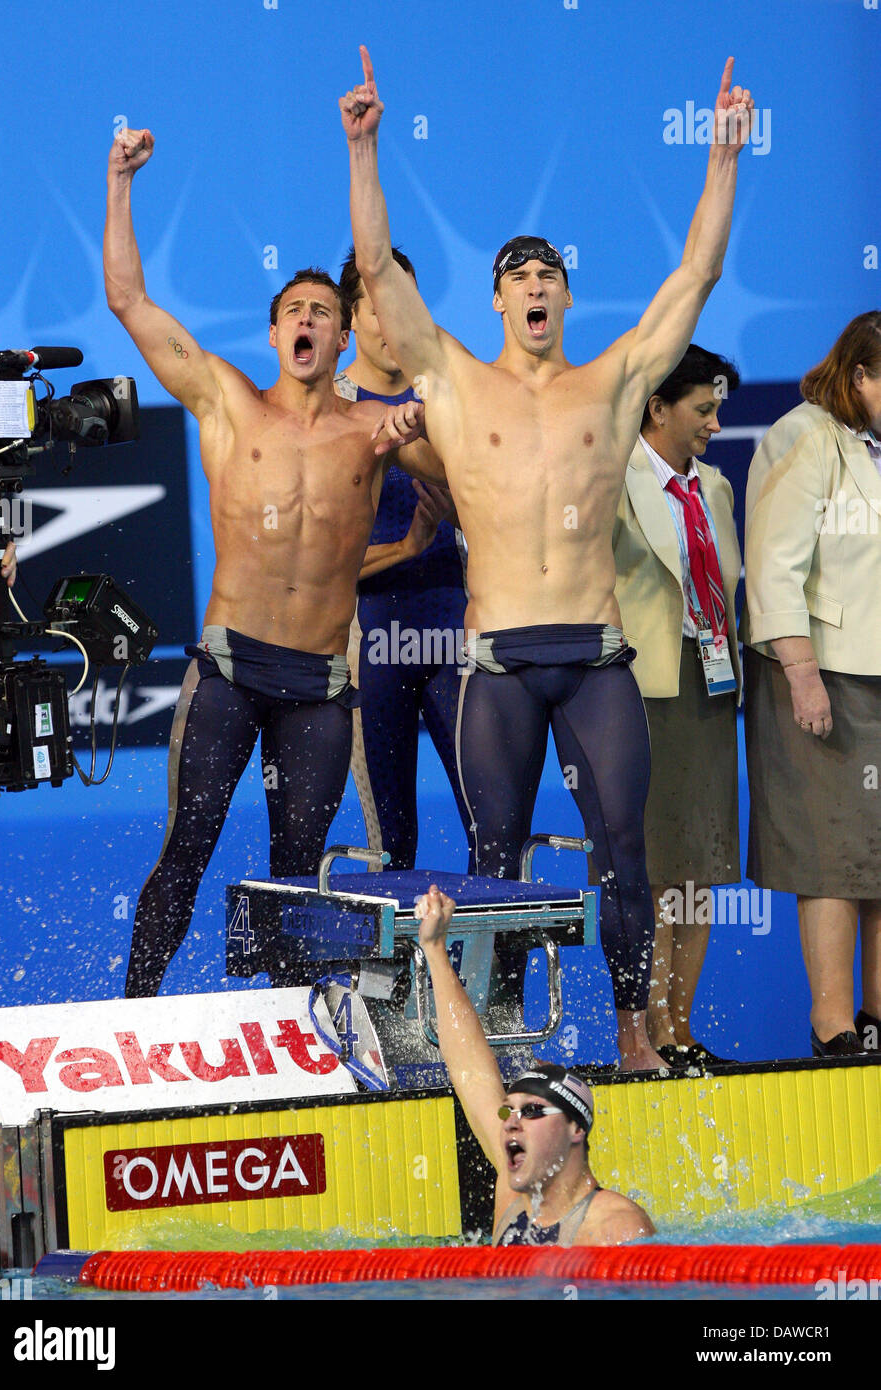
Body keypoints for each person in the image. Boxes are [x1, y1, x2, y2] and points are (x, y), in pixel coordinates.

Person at [340, 47, 753, 1070]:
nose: (533, 286)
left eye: (548, 275)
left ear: (564, 300)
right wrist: (362, 147)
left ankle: (628, 1030)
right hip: (500, 664)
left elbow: (693, 276)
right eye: (516, 277)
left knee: (625, 852)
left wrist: (724, 158)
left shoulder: (612, 386)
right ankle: (503, 1045)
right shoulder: (451, 381)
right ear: (493, 304)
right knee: (494, 863)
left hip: (599, 659)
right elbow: (381, 270)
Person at [104, 126, 439, 997]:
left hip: (319, 688)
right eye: (293, 309)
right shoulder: (225, 401)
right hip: (230, 668)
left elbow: (466, 476)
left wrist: (421, 429)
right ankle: (135, 1011)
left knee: (296, 870)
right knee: (191, 843)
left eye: (323, 313)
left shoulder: (374, 430)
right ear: (273, 332)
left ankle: (280, 1028)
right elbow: (129, 300)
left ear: (339, 342)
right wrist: (119, 183)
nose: (306, 320)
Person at [742, 310, 881, 1058]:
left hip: (876, 671)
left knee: (880, 858)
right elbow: (771, 567)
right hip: (821, 674)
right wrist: (801, 674)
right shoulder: (804, 435)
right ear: (859, 376)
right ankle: (832, 1026)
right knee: (831, 858)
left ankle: (877, 1022)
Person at [611, 346, 742, 1068]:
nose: (715, 424)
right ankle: (650, 1028)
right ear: (656, 409)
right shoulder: (614, 480)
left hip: (710, 688)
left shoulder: (715, 487)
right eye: (702, 409)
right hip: (641, 690)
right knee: (657, 869)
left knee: (701, 869)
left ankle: (682, 1030)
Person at [415, 884, 655, 1245]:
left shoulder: (615, 1228)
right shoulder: (515, 1201)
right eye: (509, 1111)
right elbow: (471, 1071)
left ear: (576, 1129)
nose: (511, 1123)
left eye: (532, 1112)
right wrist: (434, 949)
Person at [335, 247, 472, 869]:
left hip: (455, 634)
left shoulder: (453, 395)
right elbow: (316, 563)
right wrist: (408, 546)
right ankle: (389, 973)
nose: (393, 319)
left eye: (405, 302)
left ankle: (484, 971)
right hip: (371, 642)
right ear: (351, 319)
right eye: (378, 304)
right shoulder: (329, 409)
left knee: (491, 830)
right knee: (387, 847)